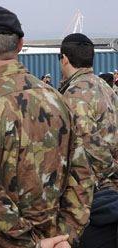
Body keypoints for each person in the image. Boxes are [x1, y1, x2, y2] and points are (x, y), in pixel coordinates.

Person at [0, 6, 92, 247]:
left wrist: (32, 245)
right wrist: (66, 236)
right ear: (20, 44)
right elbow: (82, 176)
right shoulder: (57, 99)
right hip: (55, 239)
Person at [58, 33, 118, 248]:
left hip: (91, 193)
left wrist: (108, 171)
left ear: (64, 59)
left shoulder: (75, 94)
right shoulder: (105, 88)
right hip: (109, 191)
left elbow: (87, 144)